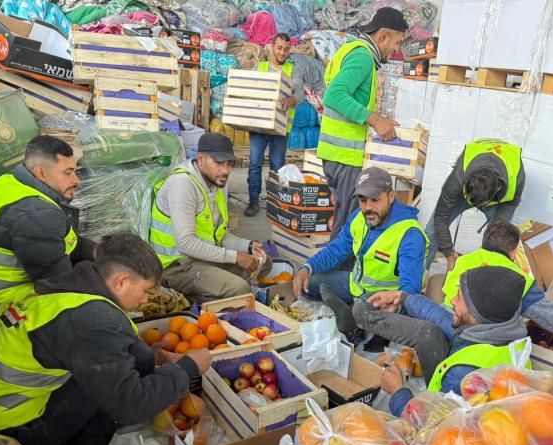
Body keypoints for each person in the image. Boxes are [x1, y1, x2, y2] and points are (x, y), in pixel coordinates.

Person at [0, 234, 212, 445]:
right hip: (10, 432)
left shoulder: (71, 285)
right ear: (122, 281)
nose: (146, 300)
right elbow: (129, 405)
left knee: (140, 356)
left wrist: (155, 357)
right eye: (145, 290)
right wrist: (187, 368)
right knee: (112, 382)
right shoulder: (94, 320)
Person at [355, 222, 553, 383]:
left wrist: (405, 298)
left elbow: (445, 306)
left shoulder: (465, 262)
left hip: (455, 332)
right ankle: (365, 315)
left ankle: (362, 316)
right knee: (424, 329)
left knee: (420, 329)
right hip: (467, 335)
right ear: (513, 252)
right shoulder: (516, 278)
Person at [0, 135, 96, 348]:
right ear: (40, 172)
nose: (76, 181)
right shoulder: (36, 212)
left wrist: (99, 251)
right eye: (68, 173)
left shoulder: (9, 182)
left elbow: (57, 239)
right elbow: (57, 284)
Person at [292, 166, 427, 347]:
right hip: (355, 285)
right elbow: (336, 250)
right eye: (363, 200)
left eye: (375, 200)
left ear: (391, 196)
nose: (368, 208)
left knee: (366, 311)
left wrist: (394, 301)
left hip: (384, 299)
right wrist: (307, 267)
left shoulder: (409, 234)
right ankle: (354, 320)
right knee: (310, 282)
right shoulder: (358, 217)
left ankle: (358, 324)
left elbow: (410, 289)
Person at [378, 266, 528, 417]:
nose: (452, 301)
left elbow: (431, 425)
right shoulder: (497, 331)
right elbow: (441, 318)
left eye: (459, 297)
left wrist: (397, 391)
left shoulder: (465, 373)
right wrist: (402, 297)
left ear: (476, 313)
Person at [317, 7, 408, 239]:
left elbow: (350, 100)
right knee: (349, 228)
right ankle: (335, 263)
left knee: (345, 222)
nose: (397, 49)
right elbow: (334, 96)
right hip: (345, 157)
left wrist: (379, 118)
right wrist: (375, 120)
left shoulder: (352, 50)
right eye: (397, 42)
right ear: (383, 36)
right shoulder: (363, 57)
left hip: (335, 154)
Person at [150, 132, 268, 304]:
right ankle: (185, 298)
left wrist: (248, 246)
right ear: (201, 159)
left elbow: (217, 236)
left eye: (229, 164)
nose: (225, 170)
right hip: (178, 266)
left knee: (262, 263)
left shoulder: (214, 184)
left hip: (202, 257)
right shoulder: (183, 184)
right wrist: (236, 257)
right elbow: (186, 243)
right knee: (240, 289)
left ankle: (220, 294)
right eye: (219, 163)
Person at [424, 138, 526, 269]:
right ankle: (419, 273)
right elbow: (440, 218)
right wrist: (449, 254)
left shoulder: (516, 177)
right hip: (465, 191)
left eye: (480, 203)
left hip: (499, 201)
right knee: (431, 231)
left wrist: (489, 246)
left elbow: (511, 205)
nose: (476, 207)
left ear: (498, 189)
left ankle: (487, 275)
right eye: (473, 201)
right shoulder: (458, 178)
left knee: (500, 240)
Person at [244, 33, 306, 218]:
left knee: (278, 166)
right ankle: (253, 201)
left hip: (281, 127)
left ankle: (275, 202)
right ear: (272, 47)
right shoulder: (260, 67)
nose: (282, 52)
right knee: (255, 163)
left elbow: (300, 92)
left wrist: (291, 100)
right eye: (279, 48)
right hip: (259, 125)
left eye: (286, 49)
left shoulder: (293, 69)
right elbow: (249, 87)